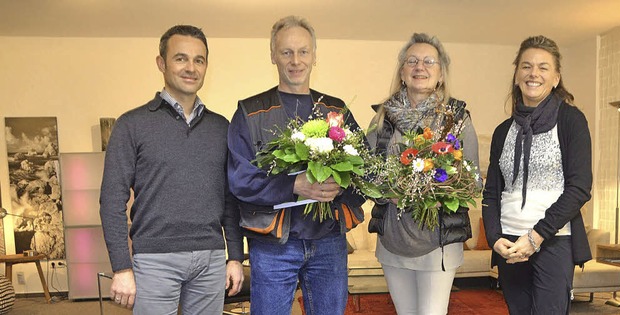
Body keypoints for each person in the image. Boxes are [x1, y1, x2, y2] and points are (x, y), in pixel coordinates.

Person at [99, 25, 244, 314]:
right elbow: (111, 200)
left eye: (199, 60)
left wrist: (235, 256)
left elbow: (230, 198)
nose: (191, 67)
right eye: (181, 58)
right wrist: (121, 267)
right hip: (154, 259)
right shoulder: (132, 124)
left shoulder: (221, 128)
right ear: (161, 63)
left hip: (211, 257)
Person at [227, 15, 366, 315]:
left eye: (303, 51)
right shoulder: (250, 112)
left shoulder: (336, 110)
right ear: (273, 55)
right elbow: (239, 181)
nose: (295, 60)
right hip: (273, 246)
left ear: (315, 56)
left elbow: (363, 171)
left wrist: (339, 187)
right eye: (286, 52)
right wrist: (294, 185)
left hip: (330, 241)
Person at [366, 33, 480, 315]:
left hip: (438, 240)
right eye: (412, 61)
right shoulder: (382, 117)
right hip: (393, 238)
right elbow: (366, 173)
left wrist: (443, 194)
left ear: (441, 74)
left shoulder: (456, 118)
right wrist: (388, 190)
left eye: (429, 61)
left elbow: (473, 179)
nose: (420, 67)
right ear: (402, 72)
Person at [482, 35, 592, 314]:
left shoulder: (571, 121)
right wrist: (495, 238)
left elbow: (579, 188)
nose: (534, 73)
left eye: (543, 67)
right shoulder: (503, 131)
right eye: (526, 66)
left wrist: (536, 237)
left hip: (554, 241)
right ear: (517, 74)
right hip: (509, 242)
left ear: (556, 78)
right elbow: (492, 192)